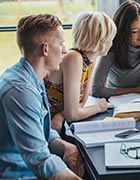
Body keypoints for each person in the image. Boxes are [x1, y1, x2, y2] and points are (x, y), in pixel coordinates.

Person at [0, 13, 84, 179]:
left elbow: (41, 131)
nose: (65, 50)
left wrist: (66, 147)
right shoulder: (20, 91)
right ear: (45, 49)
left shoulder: (32, 78)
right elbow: (40, 160)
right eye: (61, 44)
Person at [44, 11, 117, 137]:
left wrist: (62, 115)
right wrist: (98, 107)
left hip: (57, 126)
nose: (112, 43)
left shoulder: (89, 60)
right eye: (110, 38)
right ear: (102, 41)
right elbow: (73, 114)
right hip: (45, 128)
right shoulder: (74, 58)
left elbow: (82, 102)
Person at [92, 0, 140, 98]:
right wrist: (135, 90)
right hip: (116, 101)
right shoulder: (111, 48)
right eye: (134, 31)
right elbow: (95, 90)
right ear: (123, 32)